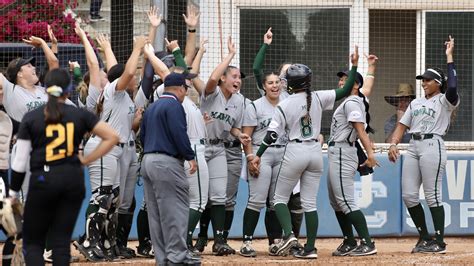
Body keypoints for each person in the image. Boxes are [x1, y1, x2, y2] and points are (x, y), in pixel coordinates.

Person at [250, 46, 359, 259]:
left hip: (295, 150)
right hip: (315, 152)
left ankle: (289, 234)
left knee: (279, 199)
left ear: (290, 84)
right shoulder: (317, 97)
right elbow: (345, 91)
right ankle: (310, 249)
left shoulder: (284, 103)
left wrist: (258, 154)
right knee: (309, 204)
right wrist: (354, 65)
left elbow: (271, 136)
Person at [8, 68, 118, 265]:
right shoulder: (79, 115)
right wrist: (86, 159)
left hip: (43, 180)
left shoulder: (33, 117)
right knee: (60, 242)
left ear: (46, 89)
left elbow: (20, 161)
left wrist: (13, 192)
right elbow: (112, 137)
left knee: (33, 243)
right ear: (68, 90)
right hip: (72, 180)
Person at [388, 36, 458, 254]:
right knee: (408, 195)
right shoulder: (416, 102)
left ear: (438, 83)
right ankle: (424, 237)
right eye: (423, 80)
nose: (424, 82)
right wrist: (394, 143)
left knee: (432, 195)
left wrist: (449, 57)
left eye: (428, 80)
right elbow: (402, 125)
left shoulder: (445, 100)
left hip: (433, 144)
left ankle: (439, 241)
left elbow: (453, 85)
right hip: (414, 146)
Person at [193, 37, 250, 256]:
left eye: (239, 78)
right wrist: (230, 56)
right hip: (201, 146)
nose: (238, 80)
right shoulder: (211, 93)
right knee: (201, 198)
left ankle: (219, 240)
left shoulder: (239, 101)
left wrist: (240, 135)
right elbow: (213, 78)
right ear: (224, 78)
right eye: (234, 76)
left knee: (219, 196)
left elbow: (232, 128)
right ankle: (196, 238)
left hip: (220, 149)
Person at [140, 72, 200, 265]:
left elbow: (142, 136)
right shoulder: (174, 105)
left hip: (148, 160)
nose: (185, 94)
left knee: (156, 215)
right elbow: (178, 133)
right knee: (175, 212)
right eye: (185, 90)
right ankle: (177, 258)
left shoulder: (152, 106)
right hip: (166, 163)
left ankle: (163, 259)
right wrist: (190, 156)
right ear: (181, 89)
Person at [327, 70, 378, 256]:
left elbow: (360, 130)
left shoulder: (352, 101)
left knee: (345, 201)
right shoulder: (353, 100)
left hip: (343, 151)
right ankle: (349, 241)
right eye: (340, 79)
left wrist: (370, 153)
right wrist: (371, 68)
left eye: (345, 79)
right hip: (336, 152)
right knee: (336, 202)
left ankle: (367, 243)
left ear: (355, 85)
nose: (341, 82)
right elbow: (368, 88)